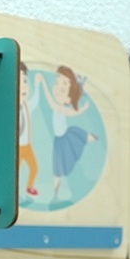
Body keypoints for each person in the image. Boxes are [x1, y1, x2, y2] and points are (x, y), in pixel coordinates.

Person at [35, 65, 97, 201]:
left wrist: (83, 108)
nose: (57, 89)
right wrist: (43, 82)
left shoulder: (62, 109)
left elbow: (73, 112)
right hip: (58, 141)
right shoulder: (56, 107)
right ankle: (56, 193)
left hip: (65, 138)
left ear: (68, 99)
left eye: (63, 89)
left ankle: (90, 137)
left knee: (77, 137)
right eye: (56, 83)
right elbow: (48, 97)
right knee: (56, 168)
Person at [18, 60, 40, 197]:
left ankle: (29, 186)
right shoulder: (10, 108)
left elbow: (35, 101)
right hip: (18, 148)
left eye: (25, 81)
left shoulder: (25, 106)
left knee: (34, 167)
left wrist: (37, 85)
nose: (24, 87)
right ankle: (11, 193)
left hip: (27, 146)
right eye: (19, 82)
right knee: (14, 172)